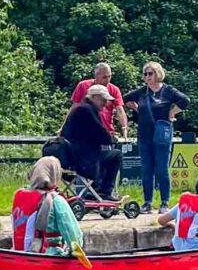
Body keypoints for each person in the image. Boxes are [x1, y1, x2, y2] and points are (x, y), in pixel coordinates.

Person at [127, 61, 189, 214]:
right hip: (144, 135)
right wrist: (136, 108)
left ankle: (164, 202)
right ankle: (147, 202)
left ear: (158, 73)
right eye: (145, 74)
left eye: (150, 73)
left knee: (162, 169)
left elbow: (185, 100)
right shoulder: (142, 92)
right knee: (147, 169)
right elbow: (125, 98)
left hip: (162, 135)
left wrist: (172, 112)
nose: (147, 76)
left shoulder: (168, 91)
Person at [11, 156, 84, 256]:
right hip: (48, 256)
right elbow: (74, 237)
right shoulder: (56, 200)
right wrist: (72, 253)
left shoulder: (19, 195)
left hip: (18, 254)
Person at [58, 85, 120, 197]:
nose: (106, 103)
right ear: (94, 97)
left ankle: (96, 188)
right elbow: (101, 134)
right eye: (103, 99)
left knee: (105, 155)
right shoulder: (87, 111)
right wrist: (112, 138)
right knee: (116, 155)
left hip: (74, 158)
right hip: (84, 161)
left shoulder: (80, 109)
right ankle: (104, 192)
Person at [71, 62, 128, 137]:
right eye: (104, 77)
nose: (107, 80)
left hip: (106, 131)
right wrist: (64, 127)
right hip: (84, 131)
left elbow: (120, 111)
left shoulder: (114, 89)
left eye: (109, 76)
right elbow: (74, 108)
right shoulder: (83, 86)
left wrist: (124, 128)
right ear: (96, 76)